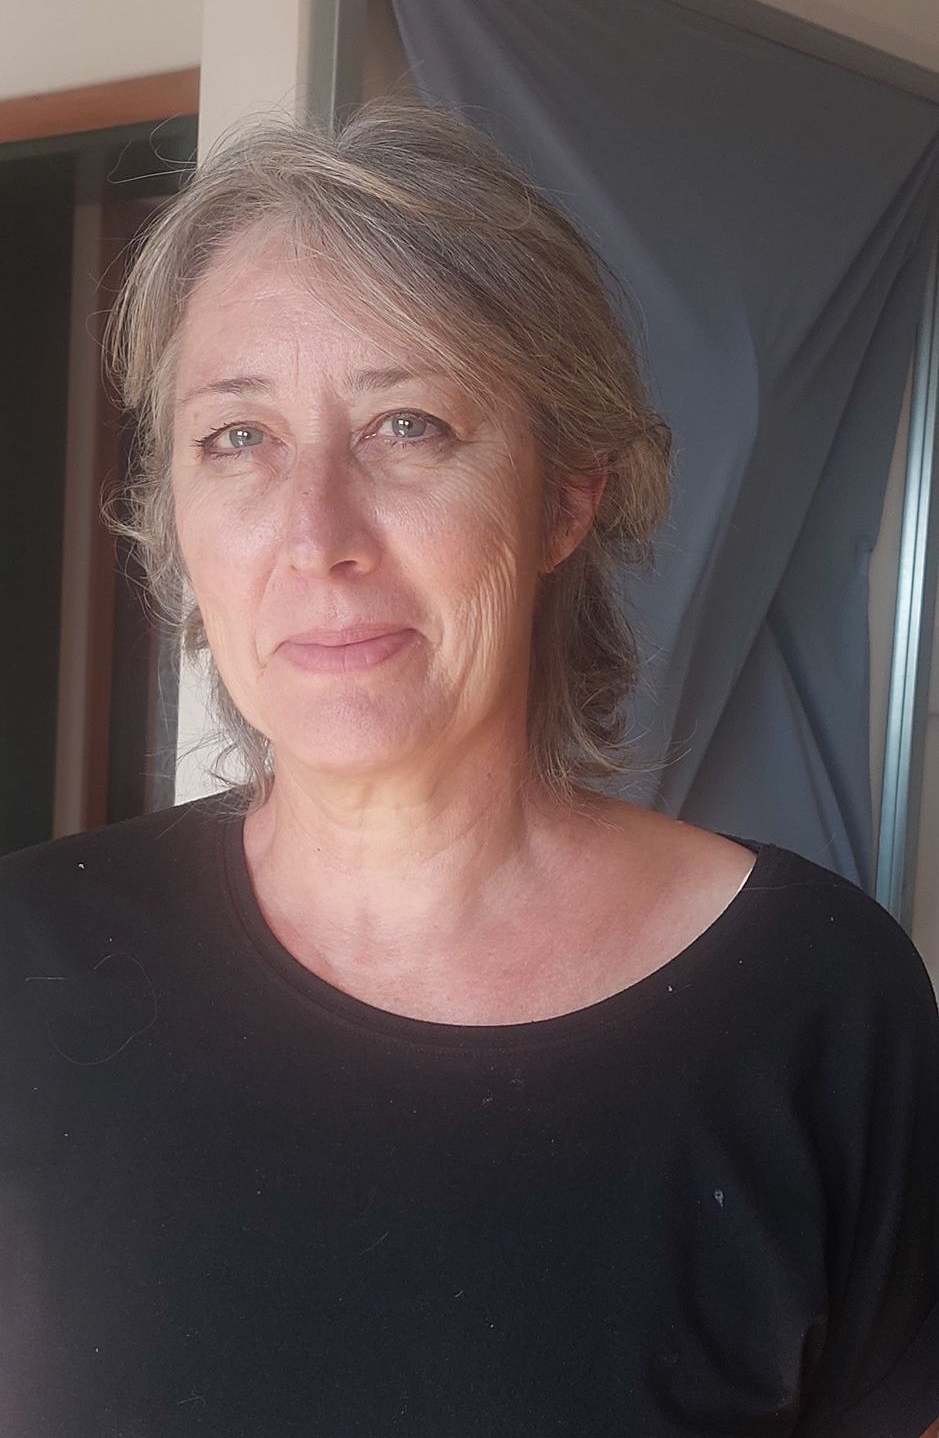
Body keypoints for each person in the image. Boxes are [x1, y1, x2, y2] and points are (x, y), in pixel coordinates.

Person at [2, 103, 937, 1438]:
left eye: (409, 425)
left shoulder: (822, 1008)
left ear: (566, 494)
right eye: (238, 438)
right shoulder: (26, 964)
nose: (316, 535)